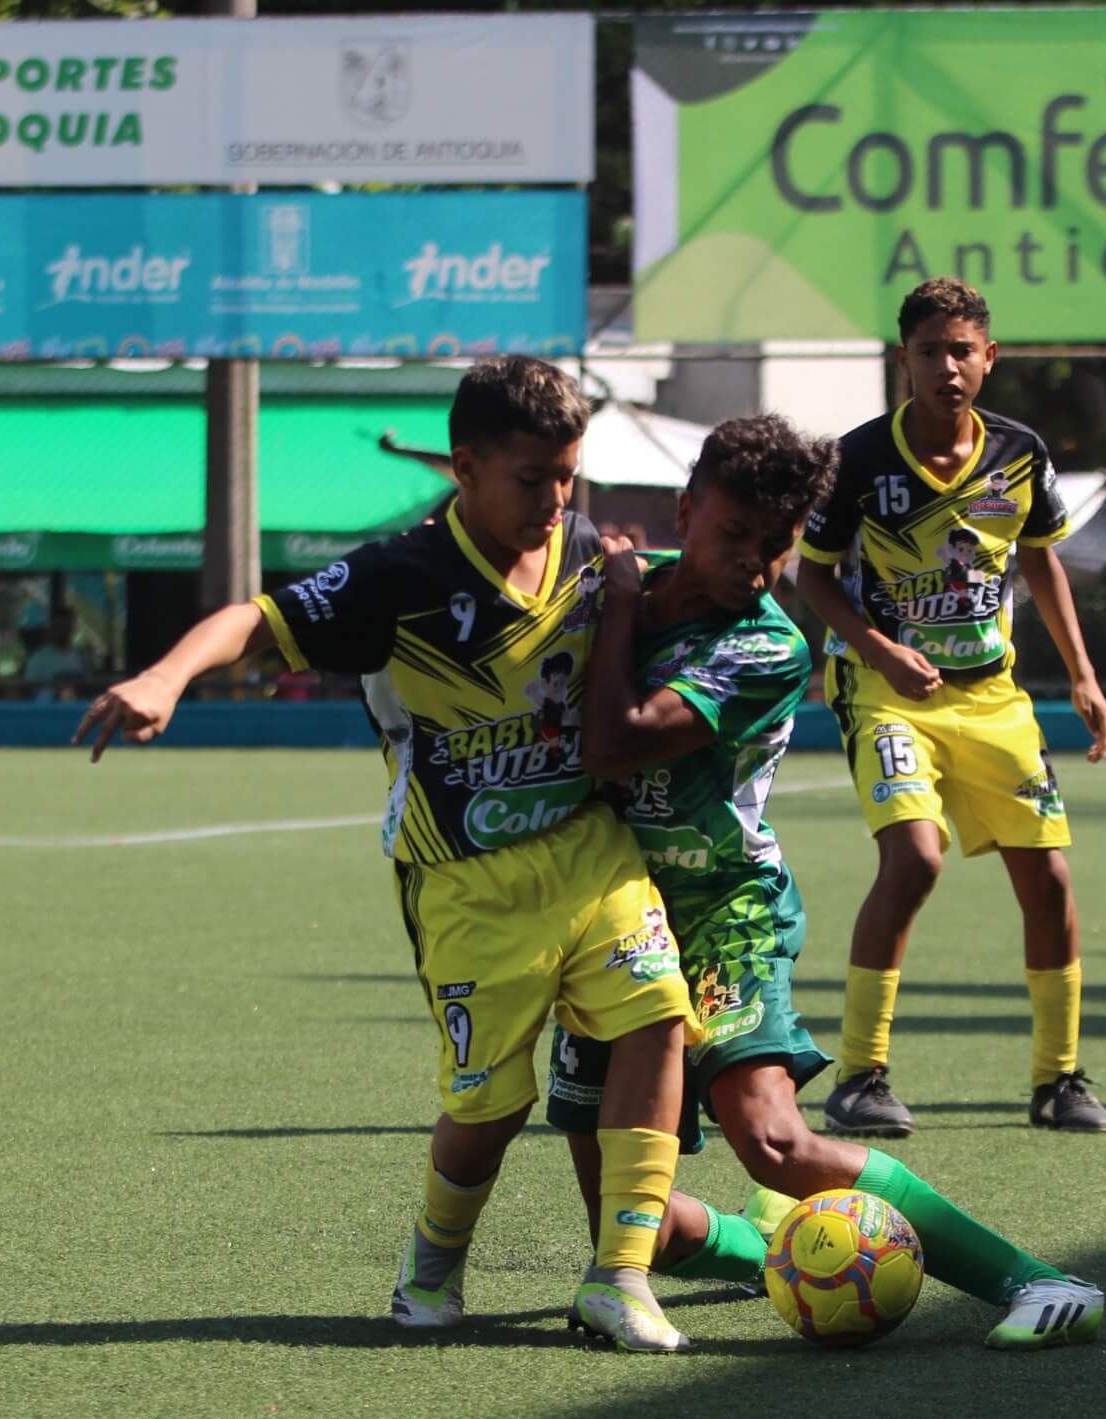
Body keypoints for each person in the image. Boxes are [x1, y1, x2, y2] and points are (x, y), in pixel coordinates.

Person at [75, 357, 701, 1352]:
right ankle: (432, 1259)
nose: (553, 499)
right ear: (464, 468)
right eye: (530, 477)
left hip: (588, 849)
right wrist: (163, 676)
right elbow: (258, 617)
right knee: (490, 1107)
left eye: (566, 475)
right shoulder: (401, 576)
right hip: (465, 880)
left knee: (659, 1019)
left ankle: (619, 1273)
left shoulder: (587, 547)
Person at [546, 413, 1104, 1349]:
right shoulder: (612, 592)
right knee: (629, 1219)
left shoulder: (769, 647)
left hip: (725, 911)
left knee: (772, 1141)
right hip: (607, 919)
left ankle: (1040, 1284)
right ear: (688, 509)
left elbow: (614, 743)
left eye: (777, 547)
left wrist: (611, 604)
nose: (755, 566)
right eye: (732, 536)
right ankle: (780, 1252)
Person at [794, 277, 1106, 1138]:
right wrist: (879, 650)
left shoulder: (1019, 452)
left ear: (990, 358)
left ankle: (1059, 1081)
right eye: (930, 350)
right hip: (886, 694)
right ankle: (860, 1077)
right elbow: (812, 577)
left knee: (1049, 878)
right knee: (915, 859)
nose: (948, 366)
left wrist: (1082, 675)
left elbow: (1043, 560)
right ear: (903, 358)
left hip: (993, 698)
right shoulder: (859, 459)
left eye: (962, 350)